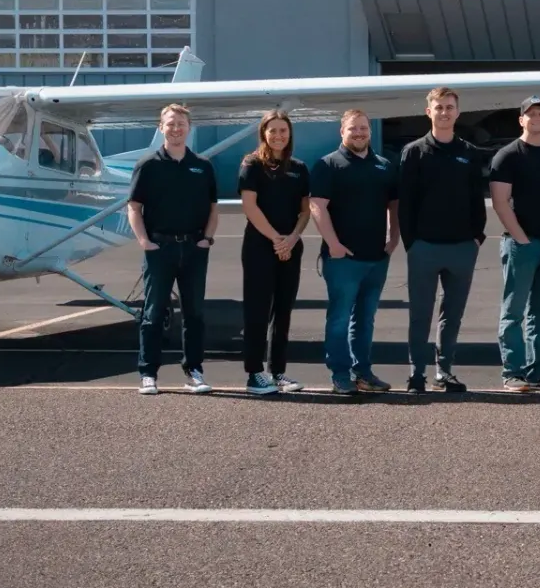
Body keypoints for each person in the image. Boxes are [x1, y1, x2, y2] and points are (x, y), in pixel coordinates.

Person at [397, 86, 489, 395]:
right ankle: (416, 373)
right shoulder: (414, 152)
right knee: (420, 314)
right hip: (424, 247)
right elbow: (405, 203)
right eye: (439, 107)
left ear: (457, 112)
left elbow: (479, 199)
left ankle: (444, 371)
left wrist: (477, 237)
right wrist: (412, 242)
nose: (445, 112)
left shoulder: (469, 153)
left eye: (450, 107)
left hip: (463, 247)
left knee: (452, 314)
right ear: (429, 112)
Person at [126, 103, 220, 395]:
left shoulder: (202, 166)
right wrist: (145, 242)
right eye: (170, 123)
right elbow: (134, 207)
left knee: (194, 313)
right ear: (161, 127)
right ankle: (148, 373)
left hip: (194, 248)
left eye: (181, 123)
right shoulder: (148, 165)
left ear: (189, 128)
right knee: (153, 312)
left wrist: (206, 239)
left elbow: (213, 208)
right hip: (160, 248)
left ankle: (194, 371)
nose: (176, 128)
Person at [309, 109, 401, 396]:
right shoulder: (328, 165)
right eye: (353, 129)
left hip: (376, 257)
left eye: (363, 128)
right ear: (342, 132)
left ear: (370, 131)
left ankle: (363, 372)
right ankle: (339, 373)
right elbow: (317, 206)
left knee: (365, 318)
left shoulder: (385, 165)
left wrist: (393, 236)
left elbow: (393, 205)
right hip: (342, 260)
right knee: (339, 317)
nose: (359, 133)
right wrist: (333, 244)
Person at [490, 97, 540, 391]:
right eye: (531, 114)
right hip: (521, 245)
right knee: (513, 312)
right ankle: (513, 371)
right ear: (521, 120)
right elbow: (500, 203)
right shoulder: (508, 156)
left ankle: (537, 369)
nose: (537, 118)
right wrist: (521, 238)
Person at [237, 109, 309, 396]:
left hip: (290, 247)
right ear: (264, 133)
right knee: (257, 311)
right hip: (259, 246)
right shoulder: (251, 165)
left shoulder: (300, 168)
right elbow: (250, 206)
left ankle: (278, 371)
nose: (278, 136)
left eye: (283, 130)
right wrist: (276, 239)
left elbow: (305, 211)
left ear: (289, 134)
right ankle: (255, 374)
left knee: (283, 312)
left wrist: (291, 239)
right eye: (273, 130)